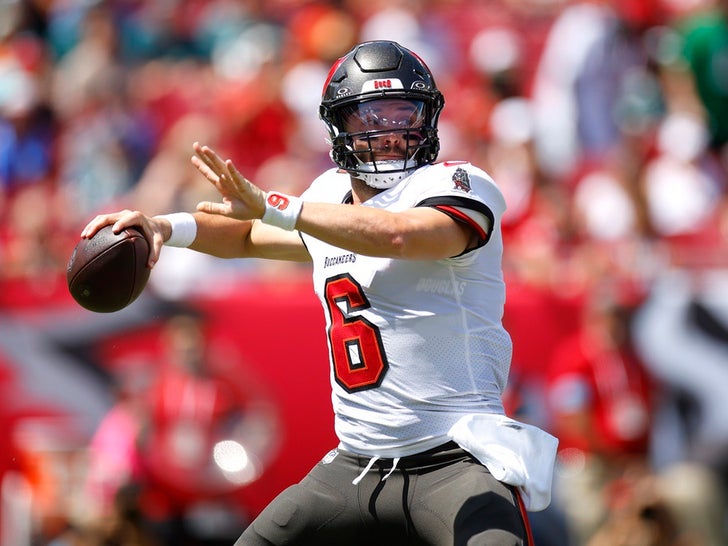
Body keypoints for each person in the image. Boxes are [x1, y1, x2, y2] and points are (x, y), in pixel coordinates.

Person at [81, 40, 557, 546]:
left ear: (429, 117)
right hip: (355, 465)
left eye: (404, 113)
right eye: (371, 116)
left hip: (454, 461)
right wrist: (162, 226)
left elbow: (400, 235)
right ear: (339, 126)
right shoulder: (326, 198)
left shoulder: (461, 184)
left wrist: (278, 206)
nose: (391, 131)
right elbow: (245, 235)